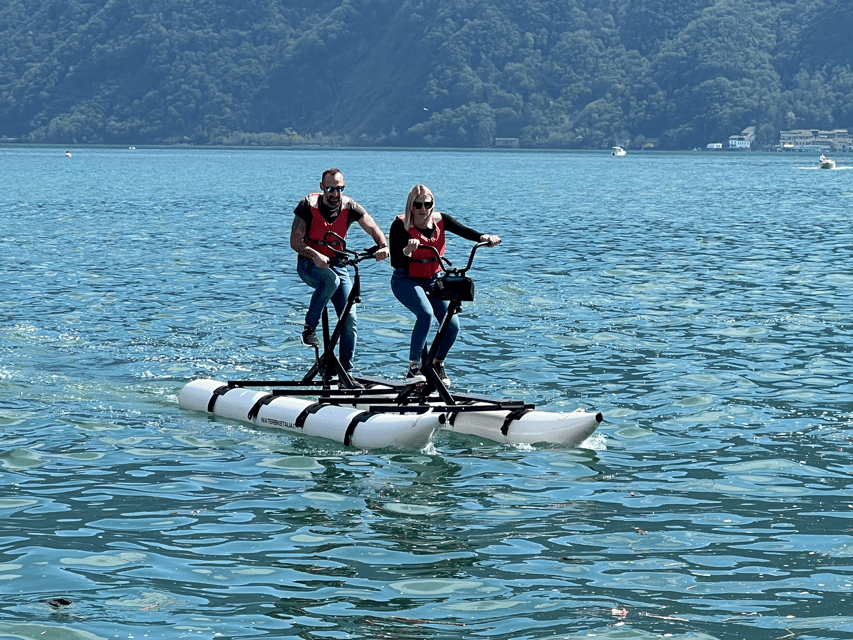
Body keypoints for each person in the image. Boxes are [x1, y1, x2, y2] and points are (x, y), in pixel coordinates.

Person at [389, 184, 501, 386]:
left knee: (452, 324)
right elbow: (396, 260)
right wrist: (407, 250)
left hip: (433, 278)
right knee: (425, 314)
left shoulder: (440, 220)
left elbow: (464, 231)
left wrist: (483, 237)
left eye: (427, 204)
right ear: (410, 206)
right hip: (405, 278)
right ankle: (413, 368)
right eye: (418, 205)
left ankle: (436, 364)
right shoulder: (400, 225)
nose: (423, 209)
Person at [290, 168, 389, 374]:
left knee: (350, 318)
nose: (335, 194)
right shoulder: (307, 206)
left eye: (340, 188)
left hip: (337, 264)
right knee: (330, 281)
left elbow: (373, 228)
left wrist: (383, 246)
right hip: (309, 264)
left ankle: (346, 372)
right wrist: (315, 255)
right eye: (330, 189)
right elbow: (295, 242)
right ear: (321, 188)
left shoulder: (350, 206)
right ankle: (309, 329)